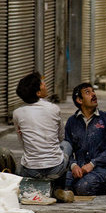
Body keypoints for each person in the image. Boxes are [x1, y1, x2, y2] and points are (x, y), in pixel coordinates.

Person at [13, 72, 74, 204]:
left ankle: (30, 190)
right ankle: (58, 188)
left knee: (22, 162)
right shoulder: (54, 109)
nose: (45, 85)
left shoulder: (17, 113)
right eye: (42, 83)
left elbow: (22, 142)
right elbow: (60, 138)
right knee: (67, 145)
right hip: (56, 168)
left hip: (31, 170)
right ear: (38, 93)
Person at [64, 83, 106, 196]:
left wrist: (93, 164)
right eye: (87, 92)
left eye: (93, 91)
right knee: (58, 181)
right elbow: (67, 148)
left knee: (83, 187)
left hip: (101, 170)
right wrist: (73, 165)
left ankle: (99, 185)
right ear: (79, 100)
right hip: (79, 169)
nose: (93, 94)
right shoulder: (72, 122)